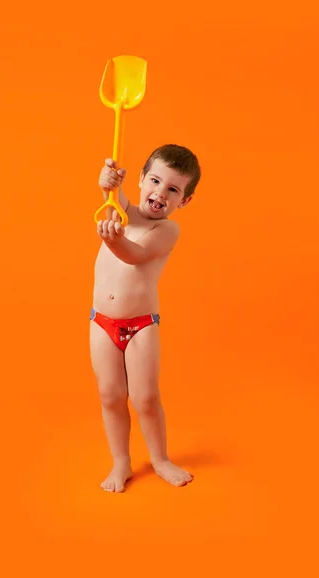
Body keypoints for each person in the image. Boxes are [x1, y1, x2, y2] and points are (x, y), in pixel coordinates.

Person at [90, 144, 201, 492]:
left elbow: (135, 255)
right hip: (101, 322)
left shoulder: (168, 231)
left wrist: (112, 240)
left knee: (146, 399)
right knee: (109, 395)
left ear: (184, 201)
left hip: (140, 326)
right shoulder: (124, 212)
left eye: (173, 190)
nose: (160, 193)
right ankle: (121, 462)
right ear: (141, 179)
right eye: (155, 180)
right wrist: (107, 181)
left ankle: (160, 459)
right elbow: (114, 198)